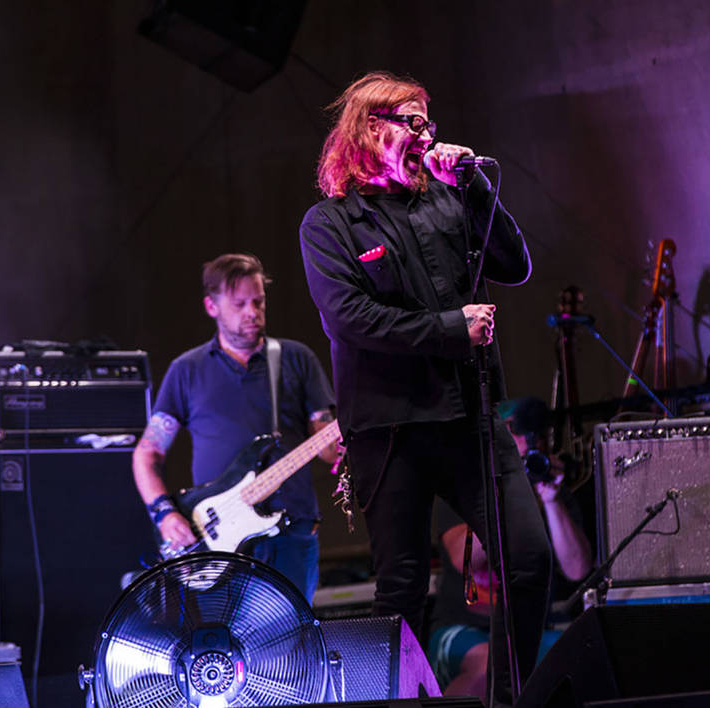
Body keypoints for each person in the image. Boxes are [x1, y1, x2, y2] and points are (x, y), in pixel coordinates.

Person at [298, 71, 552, 704]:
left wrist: (471, 184)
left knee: (528, 561)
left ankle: (508, 700)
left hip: (470, 418)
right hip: (389, 430)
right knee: (402, 588)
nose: (425, 135)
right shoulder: (330, 224)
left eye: (427, 124)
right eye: (411, 123)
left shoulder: (446, 197)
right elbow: (347, 319)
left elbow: (515, 265)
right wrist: (449, 328)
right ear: (369, 129)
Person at [132, 253, 337, 603]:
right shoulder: (187, 370)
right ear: (211, 306)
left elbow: (328, 450)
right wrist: (165, 515)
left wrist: (341, 435)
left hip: (290, 534)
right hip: (217, 538)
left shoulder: (295, 358)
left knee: (291, 649)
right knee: (222, 647)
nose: (252, 312)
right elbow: (147, 452)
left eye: (258, 301)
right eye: (239, 303)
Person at [427, 397, 592, 697]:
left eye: (535, 434)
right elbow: (464, 559)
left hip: (527, 631)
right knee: (488, 665)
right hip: (465, 628)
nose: (528, 442)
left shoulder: (551, 494)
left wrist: (550, 500)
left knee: (587, 654)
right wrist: (508, 492)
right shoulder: (465, 491)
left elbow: (578, 568)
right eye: (517, 431)